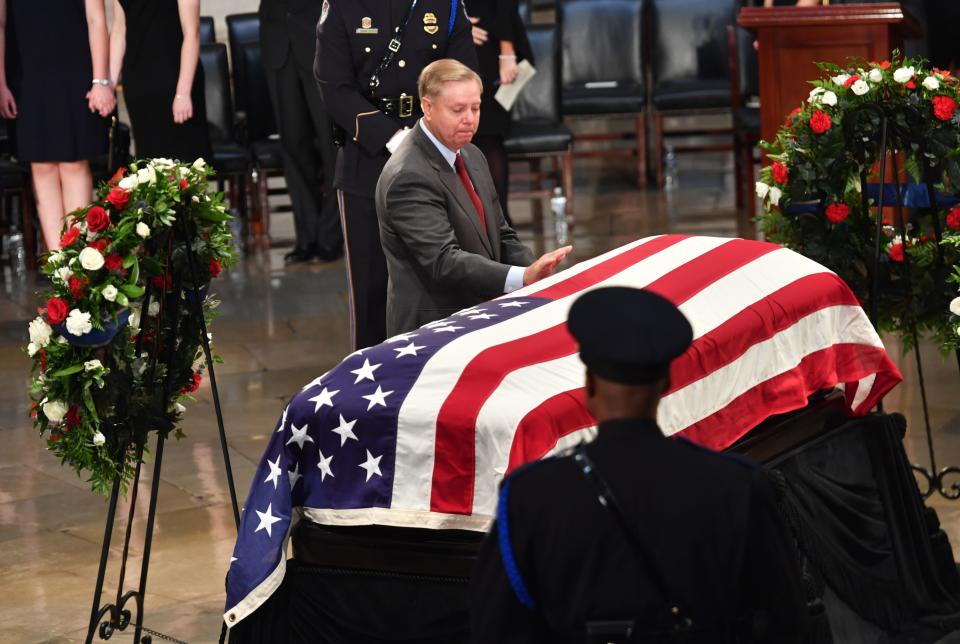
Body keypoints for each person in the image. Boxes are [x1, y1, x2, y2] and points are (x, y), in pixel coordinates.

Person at [471, 287, 808, 643]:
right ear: (666, 383)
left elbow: (496, 627)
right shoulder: (739, 487)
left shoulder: (530, 496)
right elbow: (787, 623)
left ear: (588, 386)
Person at [315, 0, 479, 350]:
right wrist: (391, 136)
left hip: (436, 155)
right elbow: (334, 86)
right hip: (367, 159)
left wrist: (426, 135)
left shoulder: (446, 6)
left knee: (445, 286)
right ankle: (371, 387)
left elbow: (463, 76)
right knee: (370, 293)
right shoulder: (344, 6)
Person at [375, 59, 570, 335]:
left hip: (478, 314)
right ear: (427, 107)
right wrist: (522, 278)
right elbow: (443, 261)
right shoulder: (408, 176)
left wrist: (541, 273)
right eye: (458, 110)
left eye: (475, 108)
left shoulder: (471, 154)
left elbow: (501, 234)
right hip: (435, 328)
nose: (470, 118)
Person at [0, 0, 114, 252]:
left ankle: (79, 257)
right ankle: (58, 264)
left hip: (75, 68)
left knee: (73, 162)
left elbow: (96, 19)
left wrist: (100, 80)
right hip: (25, 72)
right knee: (41, 165)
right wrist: (0, 83)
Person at [259, 0, 343, 263]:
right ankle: (307, 237)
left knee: (332, 146)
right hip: (278, 43)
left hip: (320, 41)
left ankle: (331, 237)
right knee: (293, 145)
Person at [109, 0, 211, 163]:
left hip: (175, 78)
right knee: (148, 161)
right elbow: (119, 30)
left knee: (183, 162)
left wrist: (183, 93)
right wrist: (109, 84)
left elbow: (192, 33)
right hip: (138, 81)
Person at [464, 0, 532, 225]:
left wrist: (507, 51)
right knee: (459, 136)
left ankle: (500, 222)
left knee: (489, 134)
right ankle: (471, 222)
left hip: (489, 38)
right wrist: (454, 27)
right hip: (448, 35)